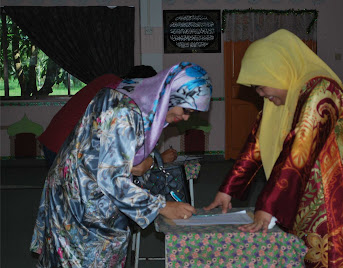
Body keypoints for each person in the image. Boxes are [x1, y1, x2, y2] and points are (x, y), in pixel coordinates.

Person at [205, 29, 343, 267]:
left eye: (260, 86)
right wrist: (228, 189)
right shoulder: (287, 95)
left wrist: (268, 205)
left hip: (337, 199)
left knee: (337, 258)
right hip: (306, 195)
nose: (260, 94)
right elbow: (256, 144)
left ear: (278, 70)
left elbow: (299, 149)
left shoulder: (323, 91)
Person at [30, 62, 212, 267]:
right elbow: (112, 178)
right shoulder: (125, 111)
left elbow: (115, 154)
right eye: (185, 109)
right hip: (82, 199)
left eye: (192, 113)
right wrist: (162, 206)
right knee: (82, 259)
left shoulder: (135, 94)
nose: (185, 117)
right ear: (172, 93)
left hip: (80, 187)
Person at [38, 65, 177, 167]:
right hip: (66, 146)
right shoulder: (119, 93)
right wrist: (157, 159)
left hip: (56, 139)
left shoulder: (110, 81)